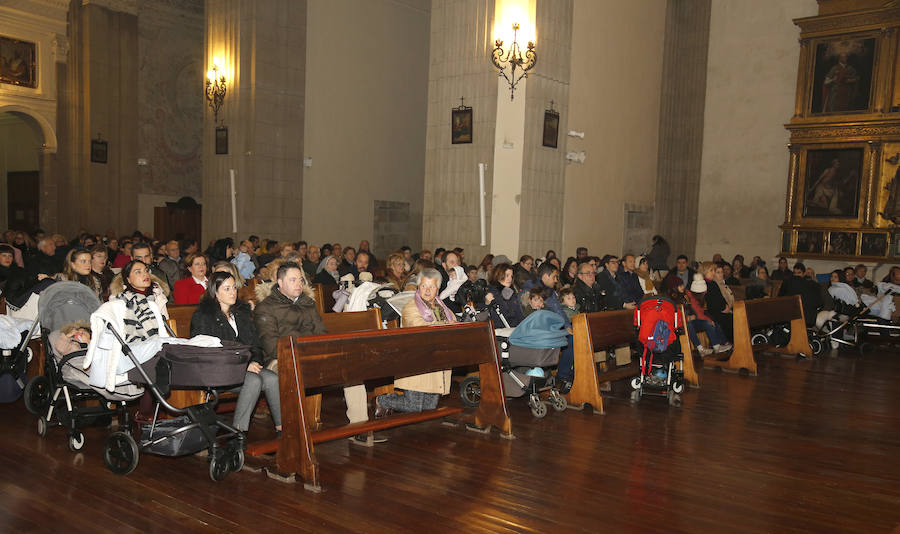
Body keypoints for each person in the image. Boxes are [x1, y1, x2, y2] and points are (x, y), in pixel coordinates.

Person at [190, 272, 279, 435]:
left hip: (242, 368)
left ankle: (282, 429)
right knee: (253, 380)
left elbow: (255, 344)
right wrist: (245, 366)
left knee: (272, 379)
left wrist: (256, 360)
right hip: (217, 372)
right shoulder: (203, 317)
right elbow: (207, 353)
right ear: (215, 293)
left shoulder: (241, 313)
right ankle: (237, 433)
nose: (233, 292)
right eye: (227, 289)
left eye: (234, 288)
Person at [375, 269, 454, 416]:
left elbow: (453, 324)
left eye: (432, 287)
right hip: (415, 362)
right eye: (424, 286)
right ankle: (383, 400)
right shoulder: (411, 307)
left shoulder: (442, 307)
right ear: (418, 287)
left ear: (438, 289)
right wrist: (445, 327)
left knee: (430, 408)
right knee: (413, 407)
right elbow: (422, 328)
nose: (428, 291)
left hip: (435, 363)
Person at [485, 263, 525, 328]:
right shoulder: (490, 293)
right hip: (499, 330)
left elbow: (519, 314)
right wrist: (487, 304)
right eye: (507, 275)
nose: (510, 279)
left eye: (511, 276)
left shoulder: (510, 292)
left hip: (513, 328)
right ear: (498, 276)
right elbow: (485, 317)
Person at [701, 261, 733, 341]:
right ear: (705, 271)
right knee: (729, 319)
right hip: (712, 312)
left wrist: (725, 306)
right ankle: (729, 342)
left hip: (718, 309)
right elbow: (711, 301)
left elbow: (720, 298)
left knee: (732, 318)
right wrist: (723, 308)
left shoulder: (712, 283)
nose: (713, 273)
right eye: (711, 271)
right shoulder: (705, 284)